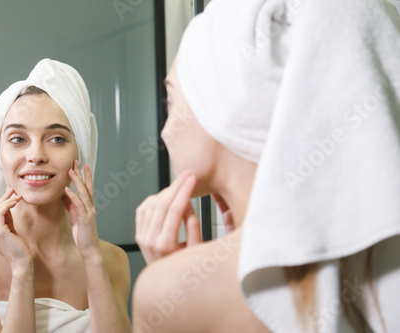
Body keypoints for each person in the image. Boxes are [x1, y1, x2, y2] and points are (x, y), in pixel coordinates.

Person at [133, 0, 400, 332]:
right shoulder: (377, 261)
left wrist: (173, 281)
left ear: (227, 104)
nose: (163, 131)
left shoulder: (168, 289)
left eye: (170, 102)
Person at [0, 59, 132, 333]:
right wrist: (21, 269)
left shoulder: (113, 261)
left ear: (80, 151)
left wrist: (91, 257)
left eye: (57, 139)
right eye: (18, 139)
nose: (36, 155)